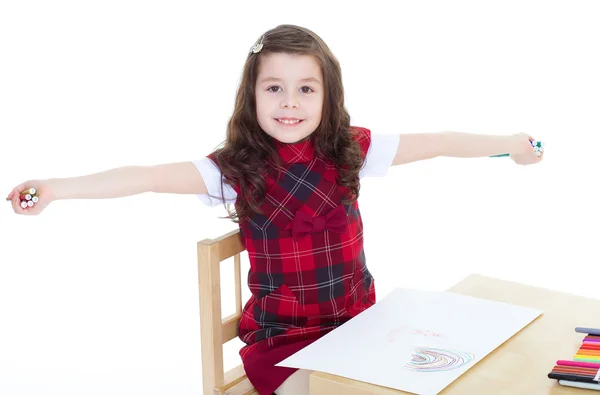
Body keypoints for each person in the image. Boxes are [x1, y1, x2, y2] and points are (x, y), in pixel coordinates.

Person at [6, 24, 543, 395]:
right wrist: (56, 187)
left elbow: (441, 141)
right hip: (283, 345)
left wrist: (512, 143)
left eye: (305, 88)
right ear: (253, 96)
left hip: (359, 328)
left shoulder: (350, 147)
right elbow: (145, 177)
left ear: (327, 96)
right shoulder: (234, 169)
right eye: (275, 88)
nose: (290, 102)